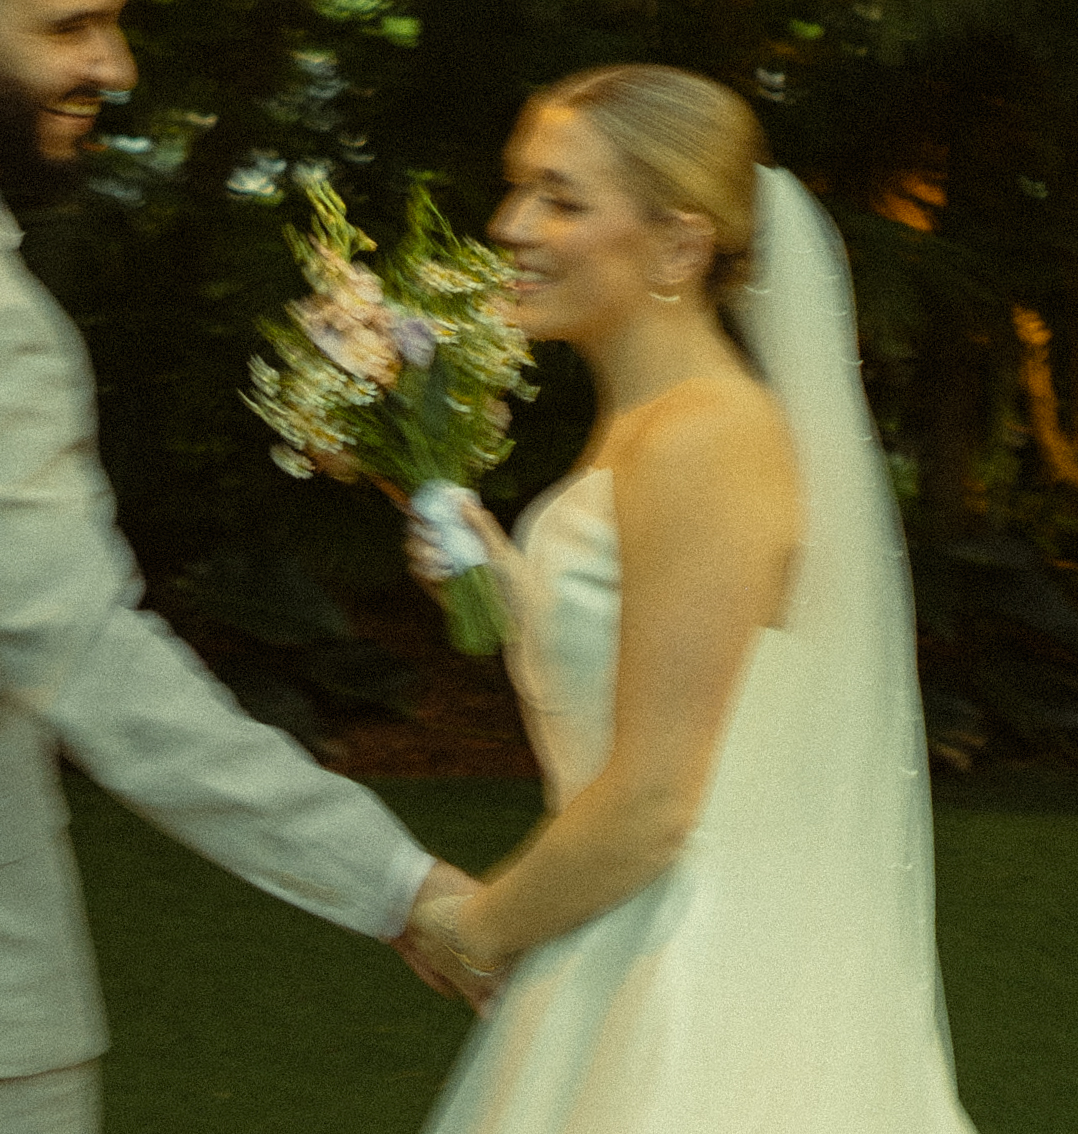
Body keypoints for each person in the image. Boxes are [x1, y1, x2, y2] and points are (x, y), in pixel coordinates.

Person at [0, 0, 489, 1132]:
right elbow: (91, 664)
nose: (116, 68)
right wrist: (396, 883)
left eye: (113, 20)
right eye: (69, 26)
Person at [407, 65, 981, 1132]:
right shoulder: (651, 425)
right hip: (616, 933)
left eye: (560, 199)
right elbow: (633, 682)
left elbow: (655, 801)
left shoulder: (702, 435)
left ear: (677, 245)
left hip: (687, 969)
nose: (509, 226)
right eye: (517, 187)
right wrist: (499, 584)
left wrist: (474, 925)